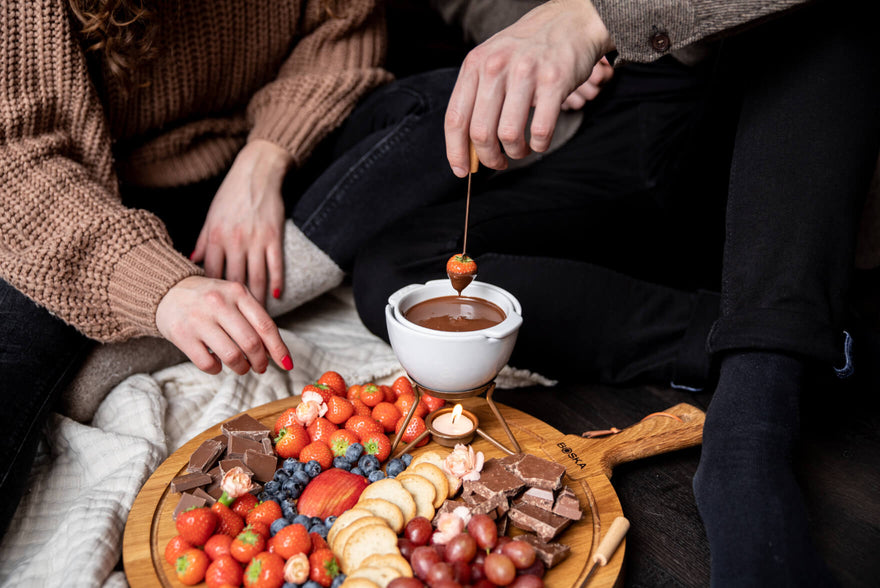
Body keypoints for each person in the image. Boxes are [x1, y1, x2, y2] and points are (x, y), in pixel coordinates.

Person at [351, 0, 880, 584]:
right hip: (601, 119)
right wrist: (525, 27)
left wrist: (591, 16)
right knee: (391, 273)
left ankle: (753, 419)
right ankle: (764, 336)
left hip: (725, 92)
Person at [0, 0, 467, 539]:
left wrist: (265, 158)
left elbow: (346, 28)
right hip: (78, 203)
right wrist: (159, 288)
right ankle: (180, 315)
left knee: (447, 101)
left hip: (258, 157)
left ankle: (214, 311)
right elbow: (14, 154)